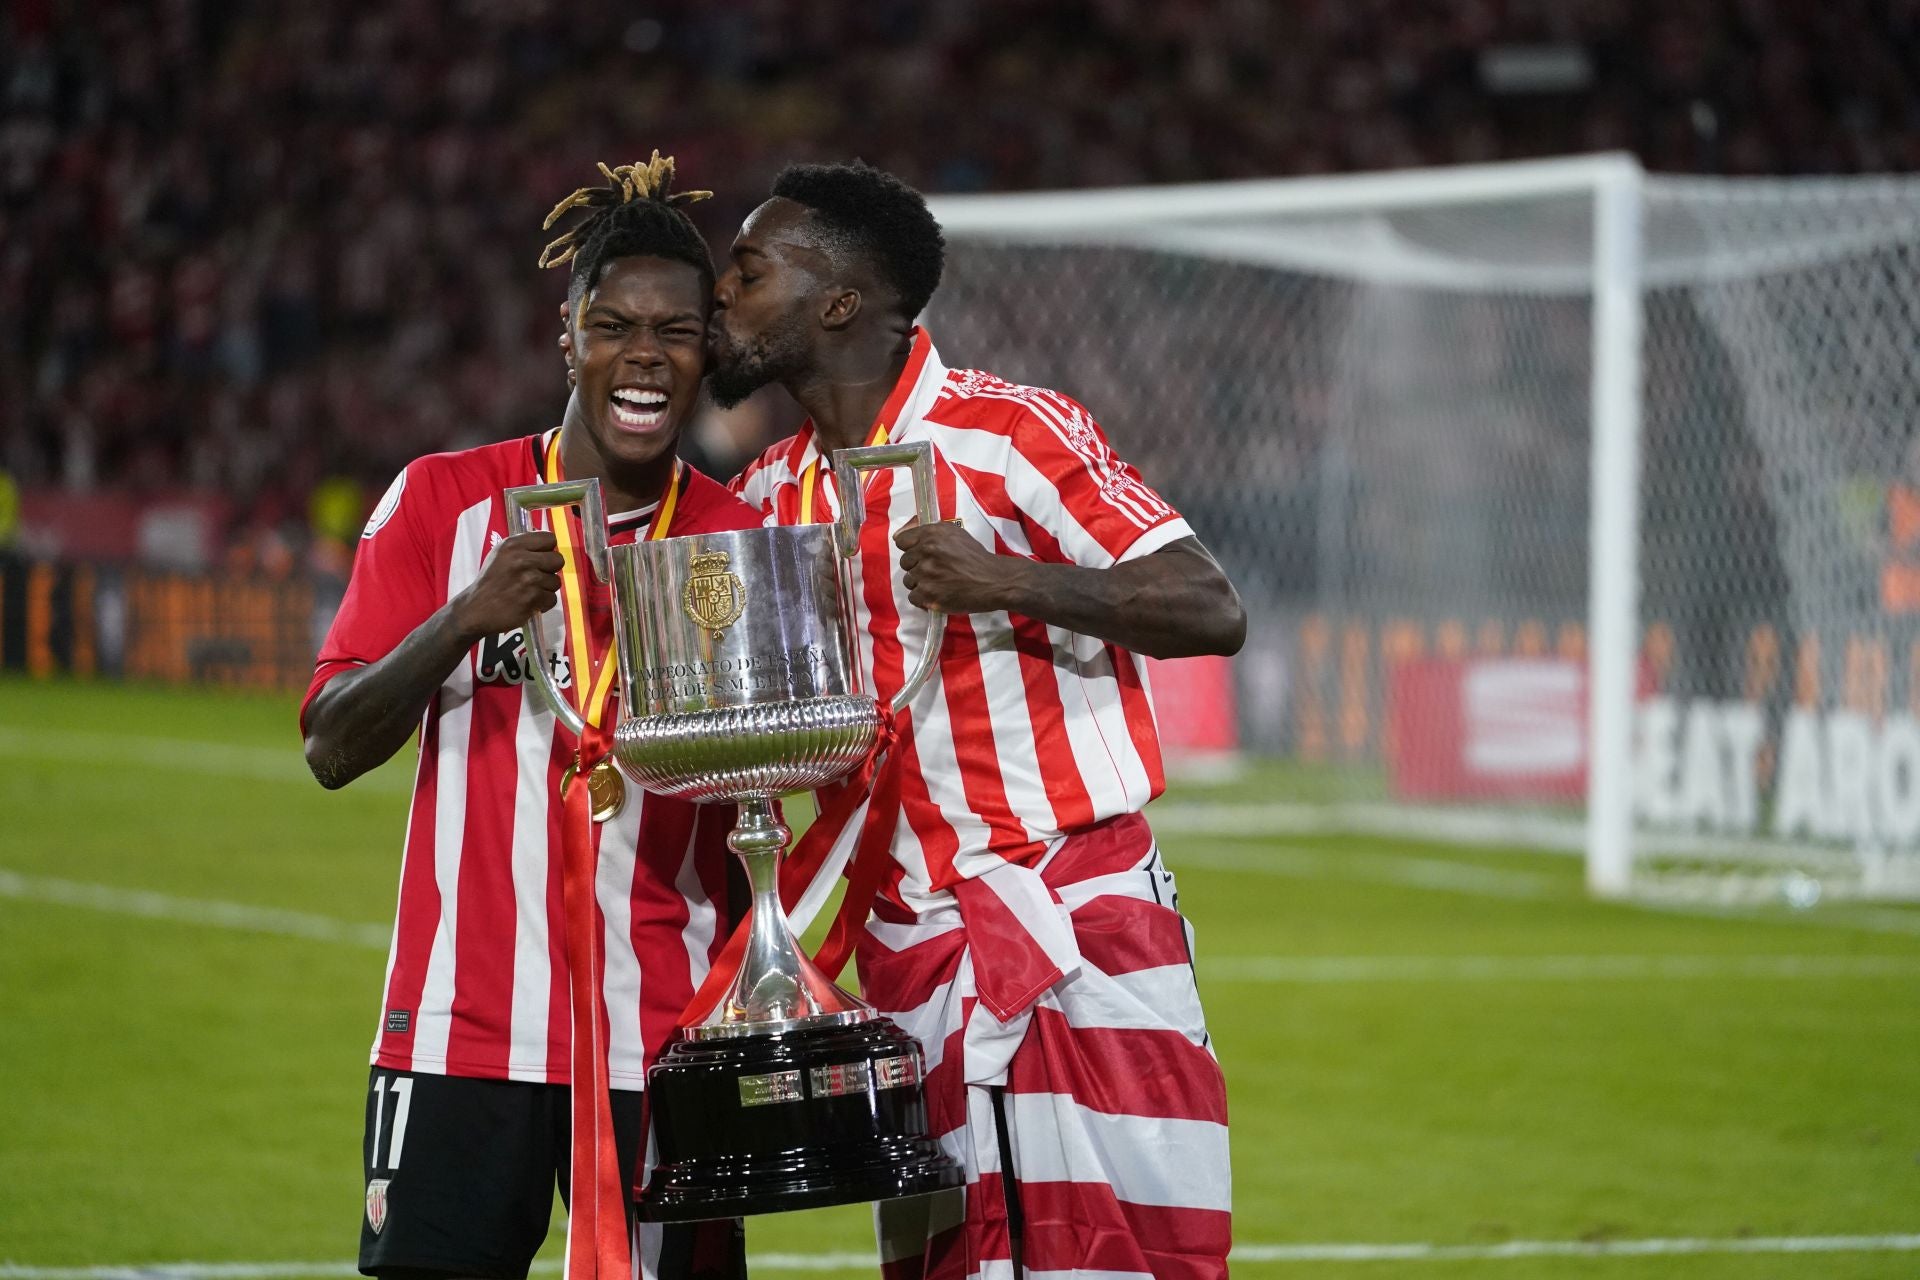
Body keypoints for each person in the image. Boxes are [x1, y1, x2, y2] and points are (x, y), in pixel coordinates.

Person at [711, 162, 1245, 1280]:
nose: (725, 291)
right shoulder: (770, 498)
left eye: (750, 270)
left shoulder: (1011, 434)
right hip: (905, 951)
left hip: (1078, 920)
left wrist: (1012, 579)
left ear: (841, 301)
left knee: (1135, 1257)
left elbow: (1208, 605)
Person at [300, 155, 755, 1280]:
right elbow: (330, 743)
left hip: (666, 1046)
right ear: (567, 337)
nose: (645, 355)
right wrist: (467, 615)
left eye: (678, 331)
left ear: (709, 350)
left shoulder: (738, 544)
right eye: (614, 325)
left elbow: (771, 804)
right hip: (460, 1033)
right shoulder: (442, 501)